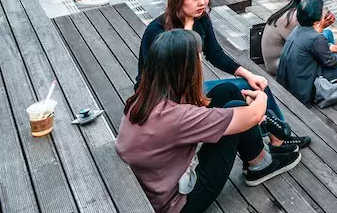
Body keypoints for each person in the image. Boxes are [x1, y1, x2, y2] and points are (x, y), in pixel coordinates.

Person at [116, 29, 301, 213]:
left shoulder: (142, 99)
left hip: (156, 185)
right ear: (185, 70)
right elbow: (253, 115)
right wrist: (261, 98)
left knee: (225, 91)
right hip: (177, 204)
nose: (201, 63)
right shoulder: (175, 117)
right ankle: (262, 163)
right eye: (199, 58)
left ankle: (257, 159)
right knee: (236, 106)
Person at [137, 0, 310, 152]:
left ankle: (279, 138)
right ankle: (262, 142)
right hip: (167, 98)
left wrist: (249, 74)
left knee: (257, 85)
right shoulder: (157, 31)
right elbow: (154, 78)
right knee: (236, 102)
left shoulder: (201, 18)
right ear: (178, 0)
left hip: (193, 88)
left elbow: (215, 53)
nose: (202, 2)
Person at [276, 0, 337, 107]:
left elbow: (320, 47)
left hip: (290, 82)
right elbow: (330, 61)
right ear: (316, 19)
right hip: (303, 89)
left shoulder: (298, 29)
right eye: (322, 11)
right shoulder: (316, 37)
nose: (325, 12)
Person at [261, 0, 337, 76]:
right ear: (303, 1)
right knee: (325, 46)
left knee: (328, 33)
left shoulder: (296, 12)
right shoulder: (293, 19)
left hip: (286, 56)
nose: (317, 1)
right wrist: (321, 25)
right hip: (279, 65)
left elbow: (310, 39)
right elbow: (310, 43)